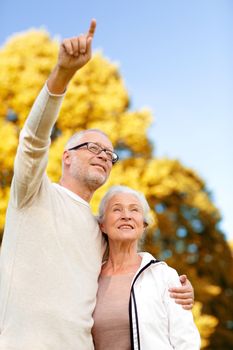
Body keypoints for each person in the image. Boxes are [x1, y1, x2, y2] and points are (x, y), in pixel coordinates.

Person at [0, 20, 194, 349]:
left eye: (110, 153)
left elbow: (129, 269)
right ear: (66, 157)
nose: (104, 155)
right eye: (92, 147)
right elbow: (33, 140)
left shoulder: (99, 231)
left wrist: (175, 289)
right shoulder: (31, 193)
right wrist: (62, 73)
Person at [92, 185, 201, 349]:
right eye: (117, 209)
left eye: (134, 210)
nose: (126, 216)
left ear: (143, 226)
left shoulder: (165, 276)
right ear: (102, 225)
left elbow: (186, 342)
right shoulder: (90, 279)